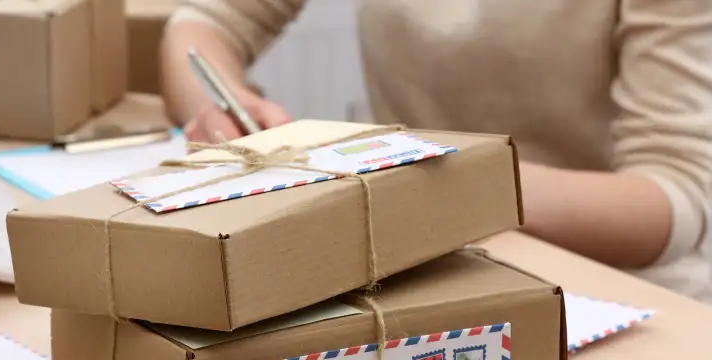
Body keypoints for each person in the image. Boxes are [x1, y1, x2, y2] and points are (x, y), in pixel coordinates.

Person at [160, 1, 712, 302]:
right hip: (426, 265)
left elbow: (676, 200)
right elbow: (204, 24)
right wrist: (221, 115)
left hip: (617, 293)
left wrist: (442, 174)